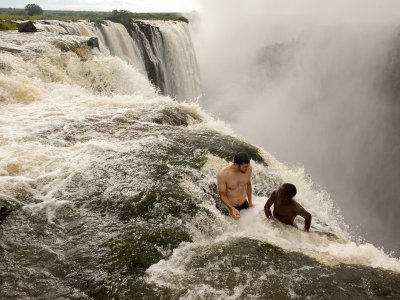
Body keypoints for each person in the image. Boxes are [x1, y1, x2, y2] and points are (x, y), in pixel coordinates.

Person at [217, 152, 254, 220]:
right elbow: (222, 194)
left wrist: (250, 202)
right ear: (236, 165)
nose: (247, 168)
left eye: (248, 165)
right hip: (228, 207)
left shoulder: (248, 169)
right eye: (245, 166)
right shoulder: (223, 174)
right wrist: (232, 209)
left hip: (243, 203)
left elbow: (248, 184)